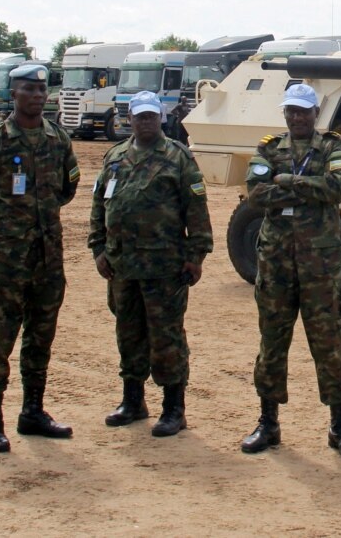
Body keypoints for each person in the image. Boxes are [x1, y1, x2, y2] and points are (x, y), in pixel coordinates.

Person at [0, 64, 80, 453]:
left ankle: (33, 412)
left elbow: (67, 186)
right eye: (29, 90)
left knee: (40, 338)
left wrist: (39, 217)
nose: (38, 97)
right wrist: (2, 221)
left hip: (48, 259)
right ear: (14, 95)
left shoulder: (57, 139)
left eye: (42, 91)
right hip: (5, 262)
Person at [240, 83, 341, 459]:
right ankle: (268, 423)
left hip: (321, 267)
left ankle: (340, 428)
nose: (296, 117)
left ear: (315, 114)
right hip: (276, 263)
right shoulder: (268, 148)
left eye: (303, 111)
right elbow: (256, 192)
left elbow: (338, 187)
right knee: (272, 344)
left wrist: (288, 181)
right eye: (291, 111)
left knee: (329, 346)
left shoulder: (333, 147)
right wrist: (308, 188)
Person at [88, 91, 213, 437]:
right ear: (129, 118)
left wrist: (196, 256)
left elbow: (196, 210)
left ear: (161, 118)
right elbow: (99, 205)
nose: (145, 122)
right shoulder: (114, 157)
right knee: (128, 333)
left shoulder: (178, 157)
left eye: (151, 117)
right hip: (122, 266)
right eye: (139, 117)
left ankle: (174, 408)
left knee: (166, 337)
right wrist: (98, 248)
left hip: (165, 267)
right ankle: (133, 401)